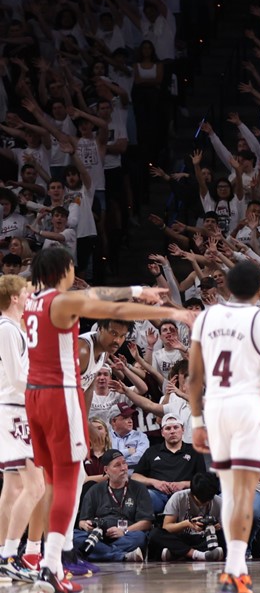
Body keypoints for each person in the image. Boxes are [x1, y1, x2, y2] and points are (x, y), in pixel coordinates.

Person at [23, 247, 192, 593]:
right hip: (58, 394)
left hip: (33, 396)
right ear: (64, 270)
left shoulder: (30, 303)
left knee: (48, 483)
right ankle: (53, 566)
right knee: (71, 479)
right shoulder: (59, 301)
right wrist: (144, 297)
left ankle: (35, 555)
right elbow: (108, 306)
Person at [187, 260, 260, 593]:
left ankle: (235, 569)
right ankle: (234, 571)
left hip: (215, 407)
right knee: (245, 492)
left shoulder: (206, 317)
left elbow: (194, 377)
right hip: (248, 406)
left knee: (229, 492)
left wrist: (197, 421)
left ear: (225, 287)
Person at [0, 275, 44, 583]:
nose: (30, 296)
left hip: (13, 410)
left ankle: (3, 552)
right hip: (16, 410)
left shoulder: (14, 328)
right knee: (36, 486)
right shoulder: (6, 328)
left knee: (14, 487)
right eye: (26, 292)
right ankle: (9, 555)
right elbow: (17, 378)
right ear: (15, 298)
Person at [72, 449, 153, 562]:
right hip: (99, 536)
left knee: (140, 537)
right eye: (117, 465)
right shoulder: (94, 490)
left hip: (125, 535)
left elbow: (146, 522)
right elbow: (82, 521)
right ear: (106, 470)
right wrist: (86, 525)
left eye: (124, 463)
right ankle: (122, 556)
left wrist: (124, 531)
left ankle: (98, 552)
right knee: (74, 536)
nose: (124, 468)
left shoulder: (139, 488)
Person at [131, 414, 206, 516]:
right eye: (168, 428)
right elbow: (135, 477)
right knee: (145, 495)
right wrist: (154, 482)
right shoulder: (152, 451)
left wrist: (183, 484)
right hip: (158, 495)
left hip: (185, 494)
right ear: (162, 432)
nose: (172, 431)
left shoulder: (194, 451)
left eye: (176, 427)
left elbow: (203, 480)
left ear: (182, 430)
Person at [149, 472, 225, 562]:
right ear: (192, 493)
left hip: (204, 539)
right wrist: (187, 524)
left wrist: (217, 527)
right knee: (155, 533)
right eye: (200, 501)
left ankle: (178, 554)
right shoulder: (178, 497)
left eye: (208, 500)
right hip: (182, 538)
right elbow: (166, 527)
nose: (205, 503)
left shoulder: (218, 501)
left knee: (224, 536)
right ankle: (197, 555)